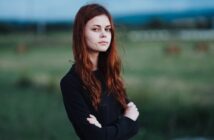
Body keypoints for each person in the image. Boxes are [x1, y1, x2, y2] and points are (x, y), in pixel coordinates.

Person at [60, 3, 140, 140]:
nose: (104, 34)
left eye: (108, 29)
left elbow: (136, 123)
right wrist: (126, 120)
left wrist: (105, 131)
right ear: (81, 33)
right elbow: (95, 137)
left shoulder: (110, 74)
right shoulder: (71, 82)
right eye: (96, 29)